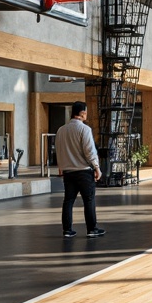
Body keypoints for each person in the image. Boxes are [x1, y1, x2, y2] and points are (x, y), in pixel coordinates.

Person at [57, 101, 103, 238]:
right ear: (82, 113)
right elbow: (89, 151)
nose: (86, 115)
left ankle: (67, 230)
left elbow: (59, 151)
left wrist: (61, 167)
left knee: (68, 201)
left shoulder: (61, 130)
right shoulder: (84, 129)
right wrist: (97, 167)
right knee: (89, 199)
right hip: (83, 171)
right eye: (86, 112)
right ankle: (92, 229)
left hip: (68, 172)